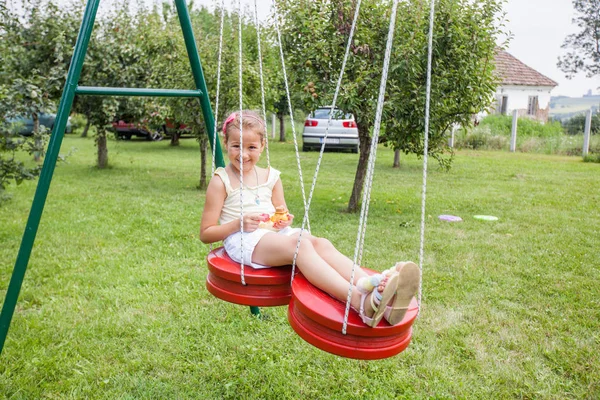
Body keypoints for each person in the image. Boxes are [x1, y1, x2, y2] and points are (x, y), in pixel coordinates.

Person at [200, 110, 420, 327]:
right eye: (236, 146)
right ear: (225, 143)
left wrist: (283, 219)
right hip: (242, 239)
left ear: (263, 146)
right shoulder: (221, 181)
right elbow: (206, 233)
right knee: (300, 245)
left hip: (274, 235)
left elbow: (281, 212)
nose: (243, 154)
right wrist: (238, 223)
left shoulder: (271, 177)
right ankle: (359, 302)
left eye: (251, 147)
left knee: (319, 243)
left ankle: (374, 288)